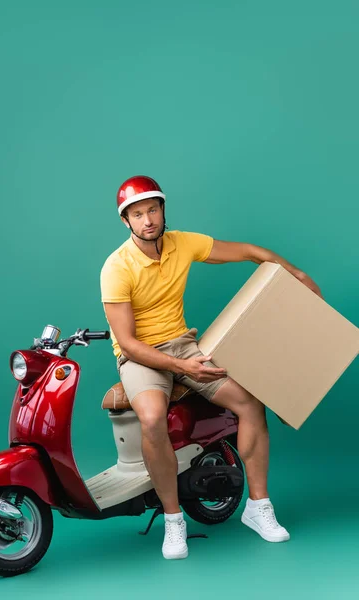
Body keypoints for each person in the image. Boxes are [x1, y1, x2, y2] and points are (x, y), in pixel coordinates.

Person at [100, 175, 323, 560]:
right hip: (141, 357)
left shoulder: (183, 243)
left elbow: (251, 251)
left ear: (163, 209)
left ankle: (259, 507)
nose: (148, 220)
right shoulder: (117, 267)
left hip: (184, 343)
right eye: (137, 214)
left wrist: (296, 273)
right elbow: (130, 342)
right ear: (126, 221)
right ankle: (174, 522)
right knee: (152, 418)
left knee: (251, 402)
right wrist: (179, 365)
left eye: (153, 209)